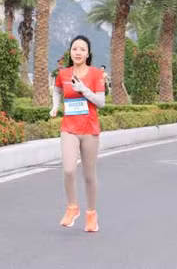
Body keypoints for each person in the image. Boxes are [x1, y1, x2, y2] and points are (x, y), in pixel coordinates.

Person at [50, 35, 105, 233]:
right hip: (69, 128)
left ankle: (91, 214)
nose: (78, 52)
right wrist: (55, 106)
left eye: (82, 49)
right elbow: (57, 90)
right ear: (70, 52)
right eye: (75, 49)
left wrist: (84, 89)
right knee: (68, 170)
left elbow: (101, 102)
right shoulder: (63, 73)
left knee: (89, 175)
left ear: (88, 53)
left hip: (89, 128)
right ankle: (72, 207)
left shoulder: (96, 74)